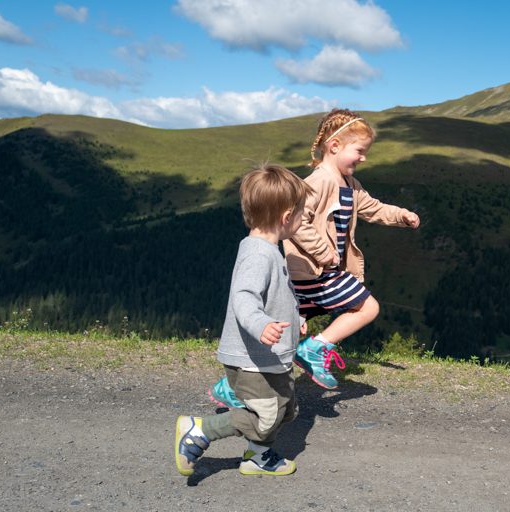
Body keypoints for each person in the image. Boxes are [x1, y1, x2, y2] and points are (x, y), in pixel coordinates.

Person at [208, 109, 420, 409]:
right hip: (315, 271)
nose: (363, 158)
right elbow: (296, 222)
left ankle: (232, 386)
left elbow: (372, 208)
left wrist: (400, 215)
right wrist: (324, 252)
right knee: (367, 307)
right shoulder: (318, 182)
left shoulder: (351, 185)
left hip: (314, 273)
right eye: (359, 151)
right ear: (334, 146)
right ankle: (316, 349)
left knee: (284, 335)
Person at [175, 164, 312, 477]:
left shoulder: (269, 249)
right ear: (286, 216)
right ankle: (200, 430)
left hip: (268, 357)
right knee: (265, 415)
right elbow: (244, 298)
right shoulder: (258, 254)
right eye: (302, 212)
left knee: (283, 409)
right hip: (252, 359)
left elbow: (274, 295)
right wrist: (262, 325)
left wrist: (296, 316)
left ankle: (258, 456)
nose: (304, 218)